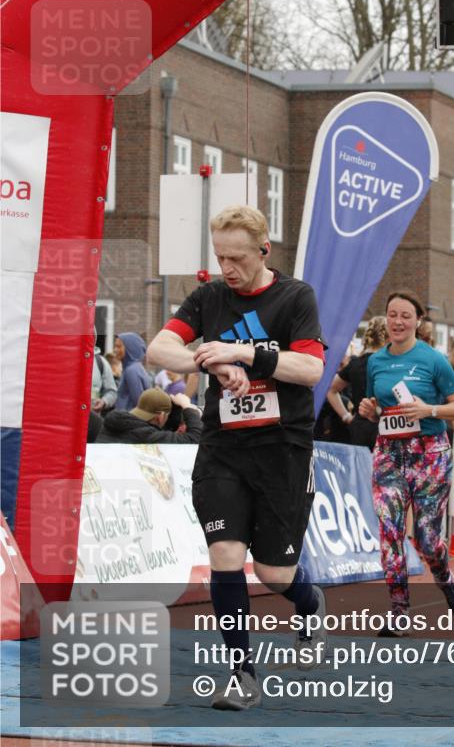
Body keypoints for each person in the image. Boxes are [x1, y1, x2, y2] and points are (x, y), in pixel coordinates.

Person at [146, 205, 326, 711]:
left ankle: (309, 605)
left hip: (283, 450)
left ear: (263, 251)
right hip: (224, 449)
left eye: (238, 258)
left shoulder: (295, 297)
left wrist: (244, 354)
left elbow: (310, 369)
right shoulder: (208, 297)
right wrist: (213, 363)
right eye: (220, 257)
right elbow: (161, 350)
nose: (227, 268)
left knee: (274, 575)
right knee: (225, 557)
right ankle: (242, 673)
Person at [358, 290, 454, 627]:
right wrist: (369, 411)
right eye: (392, 314)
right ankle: (398, 610)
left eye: (405, 315)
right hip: (389, 454)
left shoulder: (434, 360)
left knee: (426, 538)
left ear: (418, 321)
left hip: (429, 454)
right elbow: (377, 408)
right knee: (390, 530)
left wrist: (429, 409)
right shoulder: (376, 362)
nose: (398, 322)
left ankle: (446, 580)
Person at [326, 317, 387, 449]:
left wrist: (346, 416)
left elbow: (331, 389)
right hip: (383, 427)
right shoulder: (389, 364)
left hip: (360, 429)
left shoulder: (356, 363)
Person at [95, 388, 202, 444]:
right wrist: (187, 406)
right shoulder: (148, 436)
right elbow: (195, 438)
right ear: (161, 417)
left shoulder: (112, 423)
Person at [115, 332, 152, 412]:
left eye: (119, 347)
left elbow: (139, 402)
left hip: (128, 420)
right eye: (115, 346)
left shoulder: (131, 370)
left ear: (130, 348)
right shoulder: (136, 367)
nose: (115, 350)